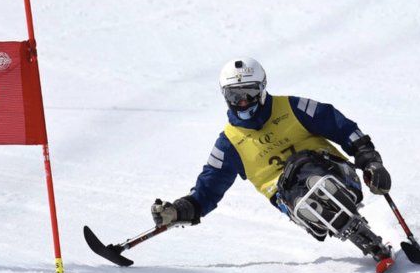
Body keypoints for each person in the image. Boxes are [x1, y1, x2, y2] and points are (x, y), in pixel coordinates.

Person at [151, 57, 393, 260]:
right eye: (235, 95)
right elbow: (206, 191)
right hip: (292, 201)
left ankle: (323, 194)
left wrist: (370, 160)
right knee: (295, 189)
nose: (243, 101)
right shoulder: (229, 144)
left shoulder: (294, 107)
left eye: (249, 92)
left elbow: (341, 126)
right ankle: (319, 210)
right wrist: (179, 211)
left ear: (263, 89)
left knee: (304, 168)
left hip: (335, 174)